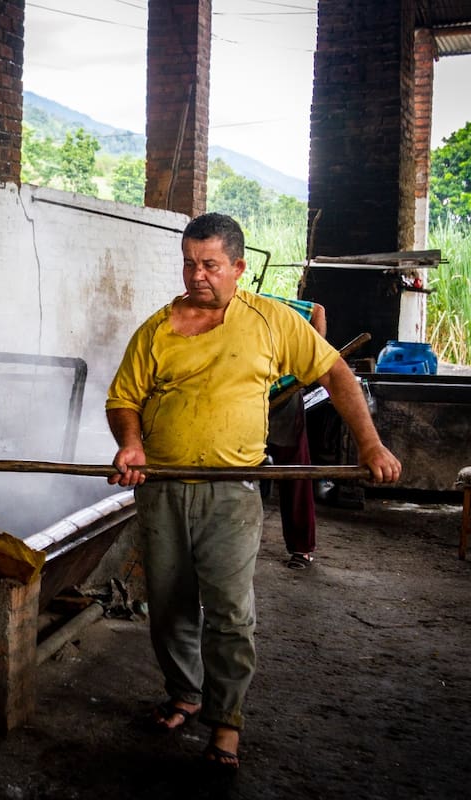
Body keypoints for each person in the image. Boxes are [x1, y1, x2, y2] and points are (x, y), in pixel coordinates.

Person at [105, 213, 401, 771]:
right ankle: (185, 694)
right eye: (190, 263)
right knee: (168, 607)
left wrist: (370, 446)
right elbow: (123, 399)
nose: (197, 276)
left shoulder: (269, 321)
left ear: (238, 268)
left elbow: (335, 371)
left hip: (232, 492)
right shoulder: (156, 328)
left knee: (229, 612)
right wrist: (133, 444)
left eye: (211, 265)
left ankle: (226, 721)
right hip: (162, 487)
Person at [262, 295, 326, 570]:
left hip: (282, 396)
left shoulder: (265, 306)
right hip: (240, 400)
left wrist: (312, 361)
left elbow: (317, 310)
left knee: (294, 470)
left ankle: (301, 547)